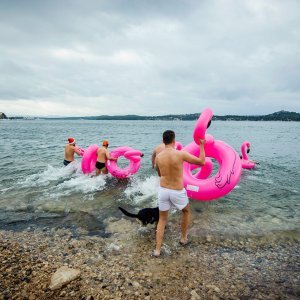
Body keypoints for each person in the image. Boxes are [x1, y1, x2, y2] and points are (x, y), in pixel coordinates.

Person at [154, 130, 206, 257]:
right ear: (174, 141)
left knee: (162, 219)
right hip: (177, 190)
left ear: (163, 141)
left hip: (163, 190)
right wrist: (202, 145)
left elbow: (160, 174)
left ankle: (157, 250)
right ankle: (183, 238)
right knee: (186, 211)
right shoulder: (180, 154)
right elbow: (202, 162)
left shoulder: (158, 157)